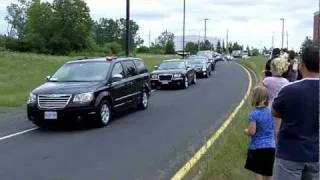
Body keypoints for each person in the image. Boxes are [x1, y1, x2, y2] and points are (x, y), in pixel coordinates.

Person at [272, 45, 319, 180]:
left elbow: (275, 112)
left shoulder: (289, 89)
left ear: (302, 65)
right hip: (316, 154)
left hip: (290, 153)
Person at [244, 86, 276, 180]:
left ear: (254, 98)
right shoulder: (271, 112)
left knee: (259, 171)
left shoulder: (254, 114)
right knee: (269, 172)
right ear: (266, 98)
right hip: (271, 146)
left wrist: (246, 131)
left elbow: (252, 132)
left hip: (258, 146)